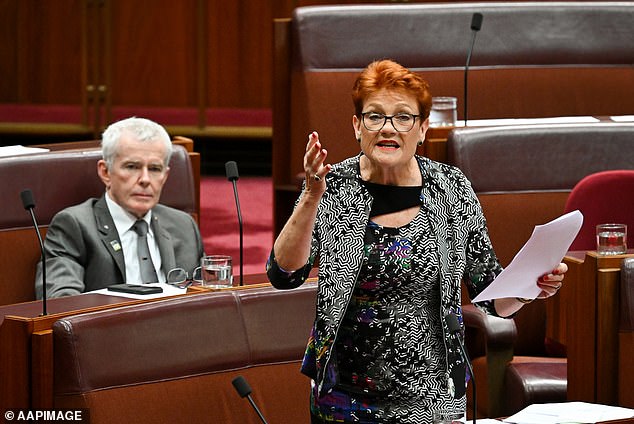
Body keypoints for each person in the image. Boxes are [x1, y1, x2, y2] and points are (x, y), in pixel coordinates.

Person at [266, 60, 568, 423]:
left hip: (433, 396)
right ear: (356, 126)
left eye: (403, 117)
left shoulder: (451, 188)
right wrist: (312, 195)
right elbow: (284, 274)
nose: (388, 128)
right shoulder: (335, 188)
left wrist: (529, 287)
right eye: (374, 116)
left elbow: (491, 297)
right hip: (345, 398)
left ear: (423, 127)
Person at [35, 117, 204, 298]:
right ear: (105, 172)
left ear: (165, 175)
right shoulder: (75, 226)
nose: (145, 179)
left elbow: (208, 293)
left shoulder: (183, 225)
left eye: (155, 169)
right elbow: (60, 302)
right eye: (132, 167)